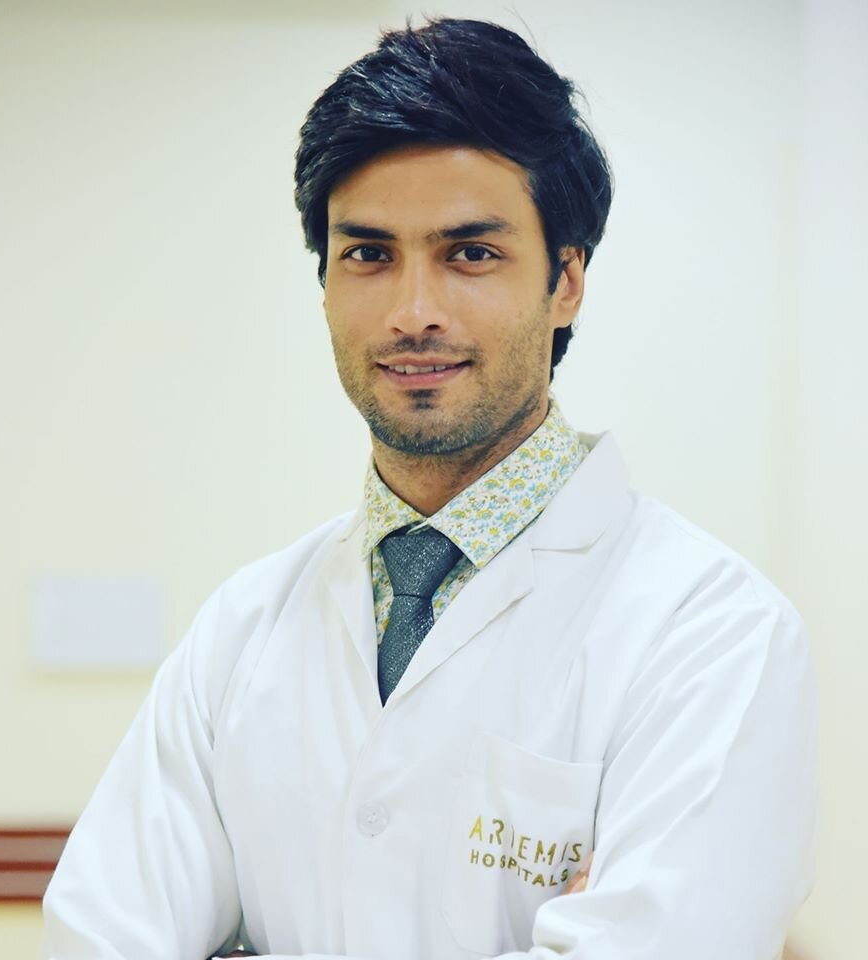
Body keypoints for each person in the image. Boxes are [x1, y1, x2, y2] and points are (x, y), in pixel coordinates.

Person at [41, 18, 817, 960]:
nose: (414, 312)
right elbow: (97, 940)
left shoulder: (713, 637)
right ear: (324, 282)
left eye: (471, 254)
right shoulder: (239, 634)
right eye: (369, 254)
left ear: (566, 282)